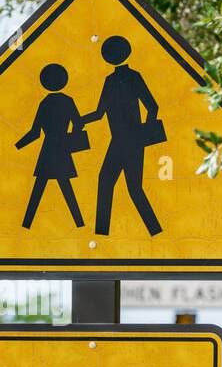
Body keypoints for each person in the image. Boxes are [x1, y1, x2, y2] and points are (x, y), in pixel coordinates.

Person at [84, 34, 164, 236]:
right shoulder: (111, 80)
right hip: (120, 141)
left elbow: (152, 106)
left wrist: (144, 133)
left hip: (131, 141)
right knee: (111, 182)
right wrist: (80, 120)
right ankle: (102, 234)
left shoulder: (130, 77)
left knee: (131, 187)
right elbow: (100, 112)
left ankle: (155, 232)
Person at [15, 63, 87, 229]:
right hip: (62, 148)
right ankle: (80, 224)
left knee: (40, 187)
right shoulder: (68, 101)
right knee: (65, 187)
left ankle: (26, 224)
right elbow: (78, 123)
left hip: (48, 150)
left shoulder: (44, 103)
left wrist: (18, 145)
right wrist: (70, 140)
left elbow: (35, 132)